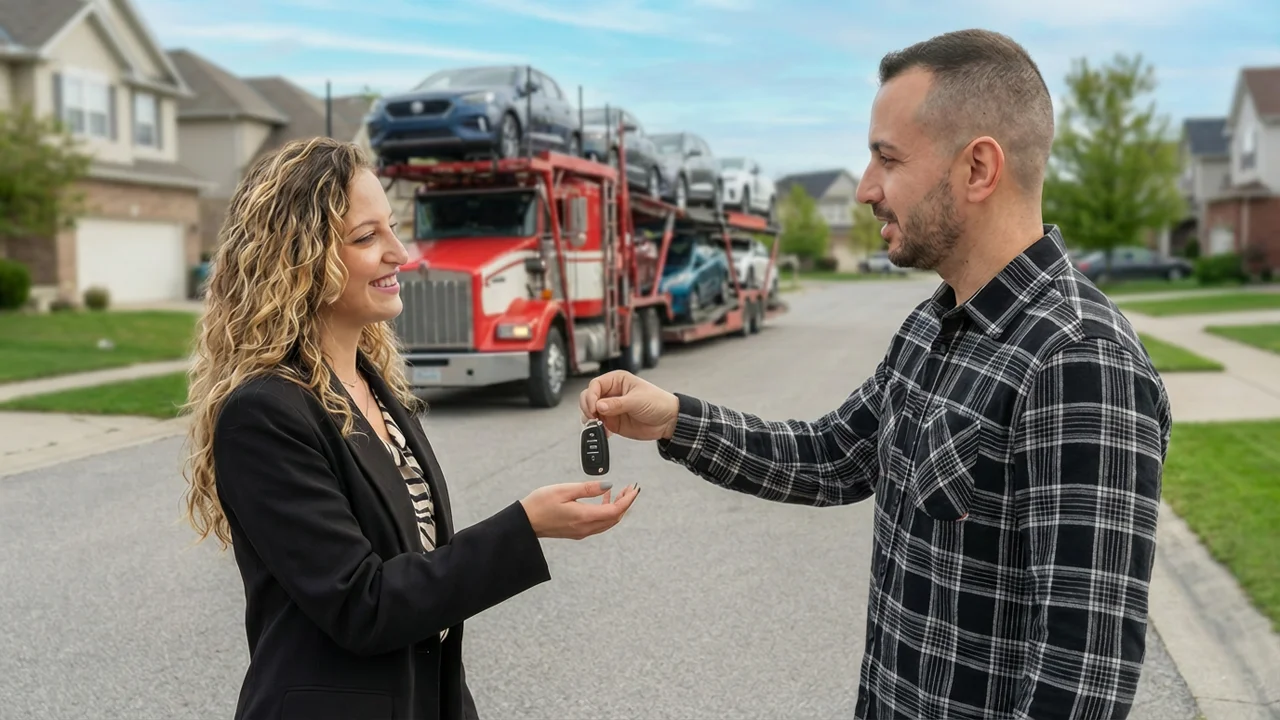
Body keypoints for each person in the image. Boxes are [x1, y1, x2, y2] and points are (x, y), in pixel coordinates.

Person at [581, 28, 1171, 720]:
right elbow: (834, 456)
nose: (866, 189)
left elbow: (1082, 679)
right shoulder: (933, 325)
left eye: (886, 159)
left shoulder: (1080, 360)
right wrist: (678, 419)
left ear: (979, 169)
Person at [181, 136, 640, 720]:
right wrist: (525, 527)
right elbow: (363, 604)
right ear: (299, 259)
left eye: (393, 228)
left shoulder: (373, 387)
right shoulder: (265, 414)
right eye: (366, 237)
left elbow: (419, 575)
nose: (400, 253)